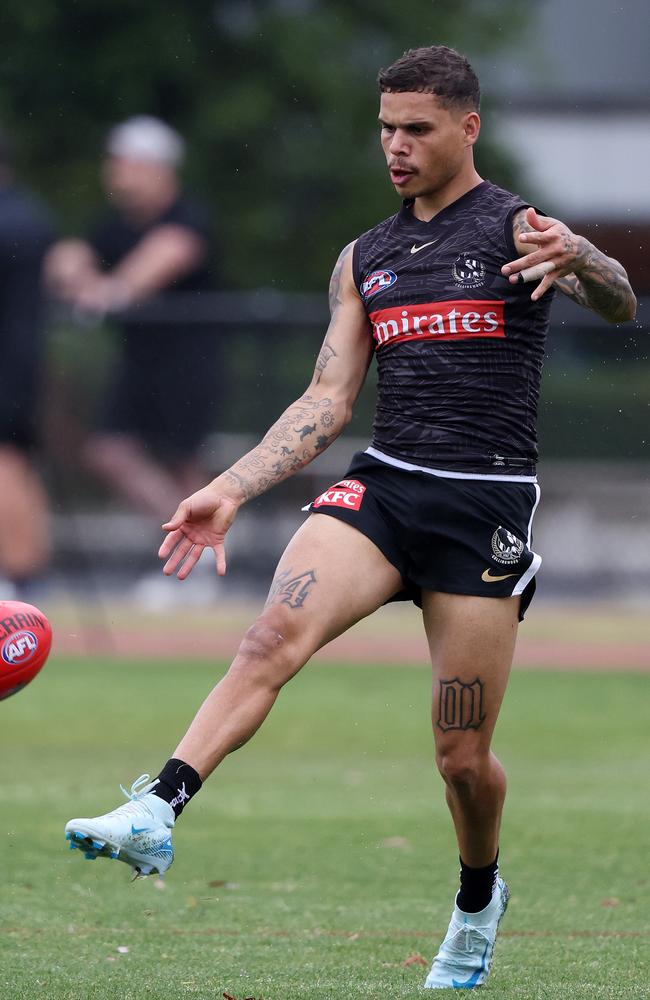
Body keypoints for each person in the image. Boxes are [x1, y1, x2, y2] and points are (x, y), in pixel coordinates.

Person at [64, 48, 636, 990]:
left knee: (461, 761)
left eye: (417, 128)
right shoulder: (365, 256)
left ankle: (479, 896)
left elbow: (616, 303)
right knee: (267, 638)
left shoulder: (521, 229)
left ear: (468, 128)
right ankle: (157, 810)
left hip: (484, 509)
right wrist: (232, 487)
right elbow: (327, 398)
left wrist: (584, 256)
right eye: (386, 129)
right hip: (385, 488)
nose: (397, 147)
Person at [45, 116, 219, 525]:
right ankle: (185, 541)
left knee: (184, 461)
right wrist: (80, 276)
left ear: (155, 167)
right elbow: (69, 260)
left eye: (124, 162)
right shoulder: (115, 223)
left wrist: (103, 290)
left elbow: (153, 266)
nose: (115, 173)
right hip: (139, 361)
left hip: (189, 363)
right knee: (110, 449)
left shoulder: (188, 216)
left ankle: (204, 555)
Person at [0, 131, 54, 597]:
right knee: (16, 461)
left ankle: (19, 579)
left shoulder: (10, 220)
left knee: (7, 461)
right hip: (22, 361)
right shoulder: (29, 216)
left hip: (7, 366)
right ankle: (26, 577)